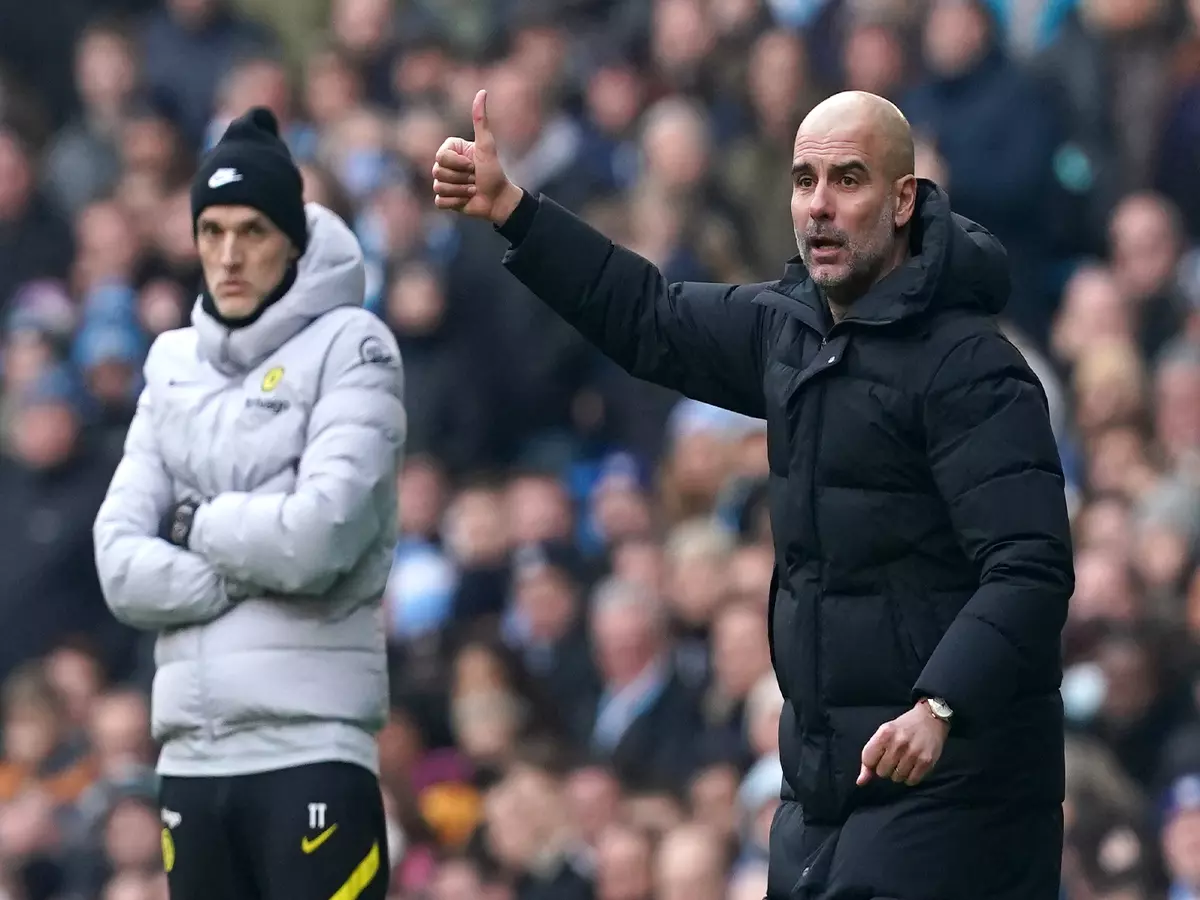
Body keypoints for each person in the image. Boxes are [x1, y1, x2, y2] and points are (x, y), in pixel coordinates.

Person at [432, 89, 1074, 899]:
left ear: (905, 199)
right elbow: (649, 317)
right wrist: (515, 212)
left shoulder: (972, 368)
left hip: (957, 786)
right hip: (823, 791)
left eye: (848, 179)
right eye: (805, 181)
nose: (820, 206)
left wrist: (940, 706)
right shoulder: (789, 330)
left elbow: (1029, 568)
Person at [94, 107, 405, 900]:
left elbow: (317, 537)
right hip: (191, 761)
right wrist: (240, 567)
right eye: (212, 232)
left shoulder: (354, 345)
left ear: (293, 240)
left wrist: (196, 525)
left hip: (312, 750)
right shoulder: (169, 364)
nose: (228, 256)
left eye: (253, 232)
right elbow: (120, 562)